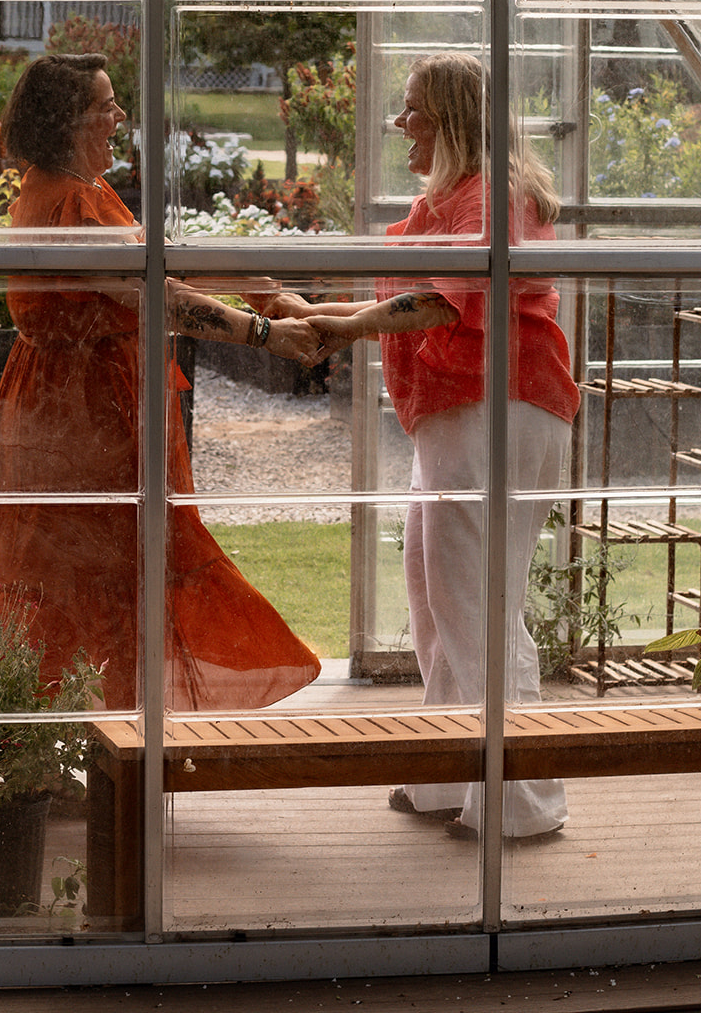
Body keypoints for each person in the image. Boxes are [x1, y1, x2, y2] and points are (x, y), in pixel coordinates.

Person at [0, 53, 321, 711]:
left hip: (92, 402)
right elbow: (151, 295)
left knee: (83, 576)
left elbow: (152, 268)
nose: (119, 117)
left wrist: (259, 289)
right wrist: (263, 334)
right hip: (81, 416)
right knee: (96, 575)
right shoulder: (68, 200)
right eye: (105, 106)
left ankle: (99, 750)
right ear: (67, 120)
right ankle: (108, 753)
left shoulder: (74, 187)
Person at [271, 52, 580, 840]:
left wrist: (335, 326)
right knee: (436, 593)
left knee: (476, 605)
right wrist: (308, 310)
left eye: (411, 111)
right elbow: (395, 296)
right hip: (460, 414)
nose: (399, 124)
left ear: (448, 121)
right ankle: (448, 774)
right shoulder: (442, 203)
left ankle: (521, 799)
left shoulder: (495, 198)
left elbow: (435, 305)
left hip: (499, 409)